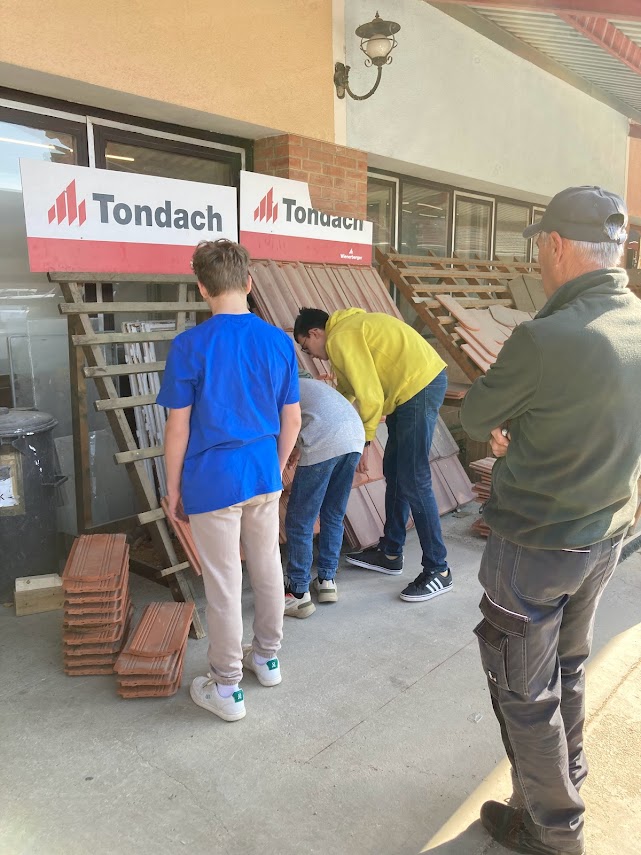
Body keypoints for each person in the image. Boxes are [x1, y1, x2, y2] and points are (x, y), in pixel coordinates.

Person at [460, 186, 641, 855]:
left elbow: (476, 416)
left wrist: (511, 431)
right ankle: (564, 783)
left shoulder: (543, 337)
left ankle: (555, 831)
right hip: (605, 534)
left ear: (557, 246)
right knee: (566, 668)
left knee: (523, 689)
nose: (538, 257)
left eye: (540, 244)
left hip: (534, 546)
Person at [158, 239, 301, 723]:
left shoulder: (190, 346)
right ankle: (267, 659)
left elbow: (177, 427)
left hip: (213, 479)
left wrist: (173, 487)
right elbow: (292, 419)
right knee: (267, 566)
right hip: (262, 472)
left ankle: (226, 686)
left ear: (202, 287)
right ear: (249, 282)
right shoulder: (279, 341)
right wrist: (274, 467)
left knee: (223, 583)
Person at [293, 306, 451, 603]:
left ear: (315, 333)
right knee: (394, 471)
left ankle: (438, 568)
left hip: (419, 385)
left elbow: (371, 397)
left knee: (414, 479)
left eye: (306, 347)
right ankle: (390, 552)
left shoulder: (341, 337)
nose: (311, 355)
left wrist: (364, 443)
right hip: (408, 391)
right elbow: (348, 392)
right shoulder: (348, 332)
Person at [284, 373, 364, 618]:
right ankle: (327, 581)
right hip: (354, 438)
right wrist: (300, 450)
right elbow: (316, 417)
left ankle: (298, 592)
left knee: (300, 520)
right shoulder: (310, 385)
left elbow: (285, 427)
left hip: (324, 439)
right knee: (333, 513)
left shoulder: (277, 388)